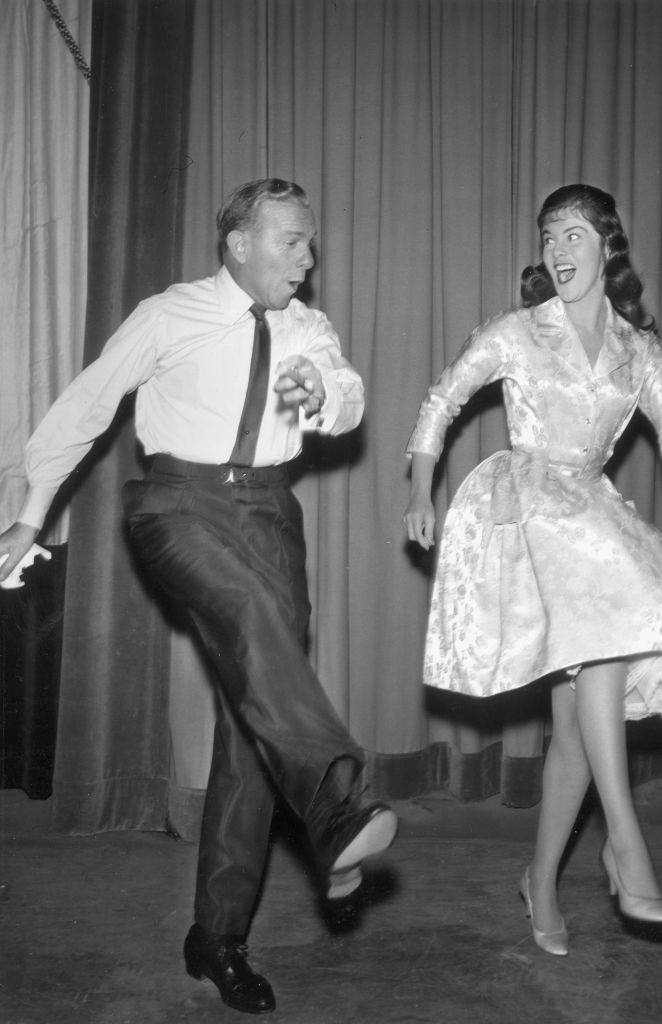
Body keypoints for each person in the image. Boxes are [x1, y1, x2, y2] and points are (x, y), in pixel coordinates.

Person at [0, 178, 397, 1014]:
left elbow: (347, 392)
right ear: (239, 243)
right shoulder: (168, 313)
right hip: (175, 504)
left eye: (311, 243)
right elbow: (88, 404)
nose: (306, 258)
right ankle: (332, 798)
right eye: (291, 240)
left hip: (268, 514)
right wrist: (29, 518)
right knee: (253, 625)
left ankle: (215, 937)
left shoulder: (306, 328)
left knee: (253, 729)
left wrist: (321, 395)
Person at [403, 184, 662, 957]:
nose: (557, 250)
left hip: (589, 508)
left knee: (575, 732)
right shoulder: (517, 332)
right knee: (607, 651)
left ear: (607, 247)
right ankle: (624, 840)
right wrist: (422, 488)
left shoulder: (635, 349)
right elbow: (440, 402)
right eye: (548, 236)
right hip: (529, 508)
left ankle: (540, 880)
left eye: (574, 235)